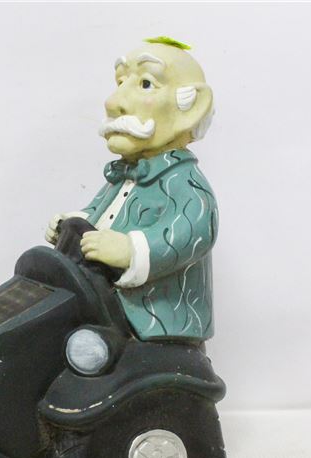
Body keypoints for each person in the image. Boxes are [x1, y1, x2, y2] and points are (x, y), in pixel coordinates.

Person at [46, 37, 218, 342]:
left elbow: (192, 233)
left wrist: (130, 250)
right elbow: (100, 213)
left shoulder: (186, 184)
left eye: (146, 84)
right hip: (102, 305)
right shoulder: (123, 176)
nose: (113, 103)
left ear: (191, 108)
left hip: (156, 320)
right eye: (121, 82)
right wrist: (72, 223)